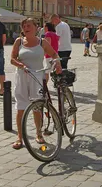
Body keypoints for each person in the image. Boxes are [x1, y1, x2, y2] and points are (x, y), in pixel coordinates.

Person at [10, 18, 62, 149]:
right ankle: (20, 137)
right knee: (20, 107)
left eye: (29, 26)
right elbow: (12, 59)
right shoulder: (19, 41)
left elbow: (54, 54)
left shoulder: (42, 42)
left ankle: (39, 134)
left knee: (37, 107)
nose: (26, 28)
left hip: (37, 77)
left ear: (36, 28)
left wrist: (58, 63)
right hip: (22, 76)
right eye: (24, 26)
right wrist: (20, 64)